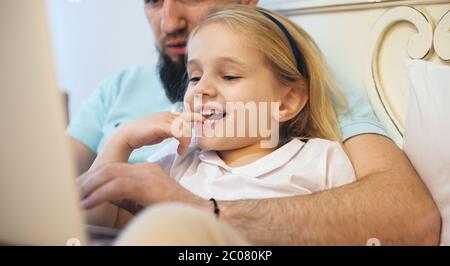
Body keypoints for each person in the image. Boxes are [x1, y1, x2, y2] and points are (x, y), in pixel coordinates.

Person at [70, 0, 440, 245]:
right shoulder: (177, 159)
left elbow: (382, 221)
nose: (202, 91)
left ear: (288, 101)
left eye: (229, 77)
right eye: (194, 77)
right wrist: (122, 142)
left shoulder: (321, 160)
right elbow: (95, 218)